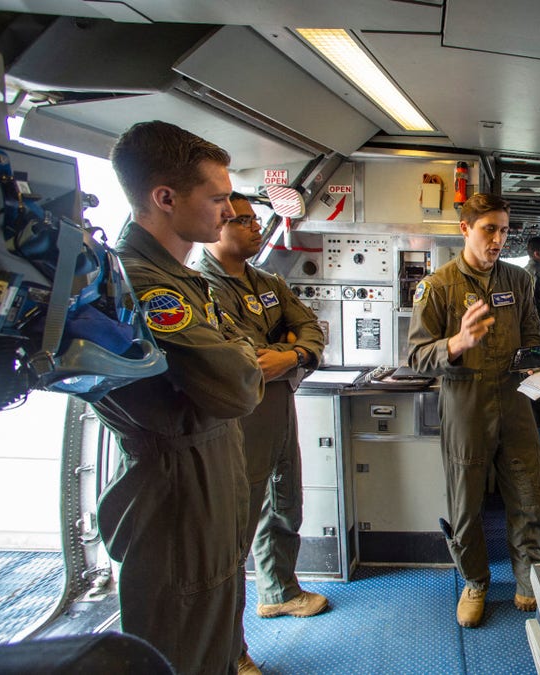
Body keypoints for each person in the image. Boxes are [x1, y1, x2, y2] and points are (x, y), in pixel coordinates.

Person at [91, 121, 264, 675]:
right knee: (183, 646)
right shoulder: (146, 284)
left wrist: (239, 351)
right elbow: (238, 384)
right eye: (216, 199)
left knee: (214, 633)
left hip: (206, 477)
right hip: (177, 493)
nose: (227, 213)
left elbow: (236, 361)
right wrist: (243, 352)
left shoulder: (181, 278)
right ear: (165, 198)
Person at [194, 193, 331, 670]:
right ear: (218, 223)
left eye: (257, 220)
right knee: (234, 533)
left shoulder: (269, 282)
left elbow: (311, 327)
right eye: (245, 220)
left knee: (285, 503)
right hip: (237, 420)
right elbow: (242, 355)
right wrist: (282, 347)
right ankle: (230, 653)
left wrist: (292, 353)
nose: (257, 228)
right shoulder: (201, 287)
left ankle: (278, 590)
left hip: (279, 407)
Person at [407, 193, 540, 628]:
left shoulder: (518, 281)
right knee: (466, 500)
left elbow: (531, 335)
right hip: (465, 398)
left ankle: (530, 577)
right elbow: (415, 356)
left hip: (514, 395)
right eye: (490, 229)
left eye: (505, 231)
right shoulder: (437, 286)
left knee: (529, 490)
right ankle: (475, 581)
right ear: (465, 229)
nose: (498, 240)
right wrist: (456, 344)